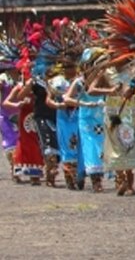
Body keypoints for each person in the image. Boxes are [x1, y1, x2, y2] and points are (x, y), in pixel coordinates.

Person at [89, 68, 135, 196]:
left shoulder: (134, 70)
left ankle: (129, 182)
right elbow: (91, 89)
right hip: (113, 111)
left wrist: (134, 89)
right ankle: (120, 179)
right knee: (116, 145)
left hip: (129, 110)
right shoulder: (106, 71)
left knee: (129, 142)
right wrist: (110, 91)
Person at [63, 54, 106, 192]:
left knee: (102, 147)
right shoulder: (79, 82)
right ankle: (95, 180)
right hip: (86, 119)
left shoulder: (103, 79)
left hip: (101, 118)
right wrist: (82, 103)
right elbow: (66, 98)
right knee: (90, 147)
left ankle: (103, 176)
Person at [48, 62, 83, 190]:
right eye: (66, 66)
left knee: (79, 143)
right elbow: (49, 99)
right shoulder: (57, 82)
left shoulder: (81, 80)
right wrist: (57, 105)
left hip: (79, 114)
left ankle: (80, 173)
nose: (69, 69)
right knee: (66, 145)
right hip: (63, 116)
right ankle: (70, 175)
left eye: (71, 66)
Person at [3, 76, 44, 184]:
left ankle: (35, 173)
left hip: (39, 116)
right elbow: (6, 102)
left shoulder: (42, 85)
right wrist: (16, 104)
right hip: (25, 118)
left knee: (38, 143)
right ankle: (19, 169)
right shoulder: (19, 87)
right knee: (25, 142)